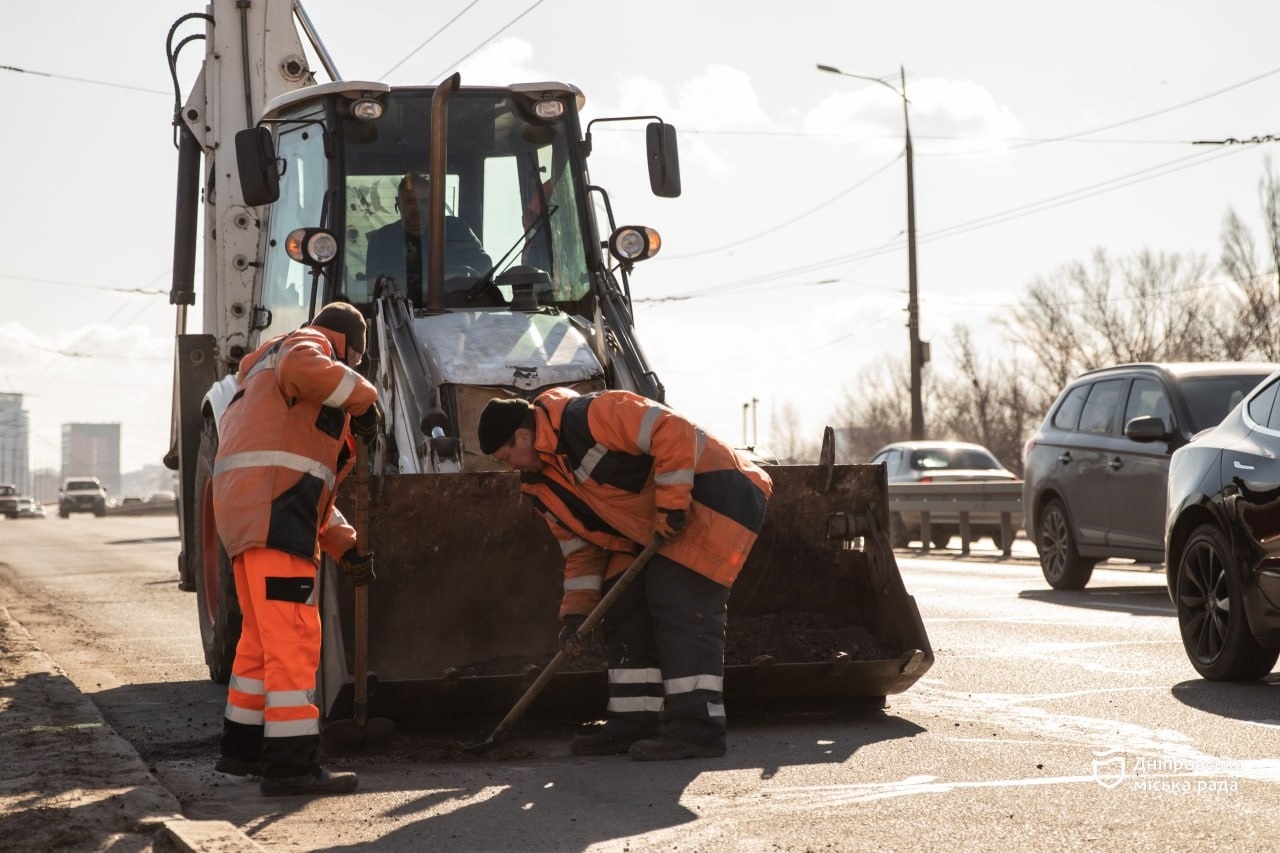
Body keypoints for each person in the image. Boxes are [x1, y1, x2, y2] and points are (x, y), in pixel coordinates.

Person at [478, 388, 773, 761]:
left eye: (506, 458)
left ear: (522, 436)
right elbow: (583, 553)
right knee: (623, 605)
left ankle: (699, 730)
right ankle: (633, 723)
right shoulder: (541, 488)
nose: (509, 468)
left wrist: (671, 505)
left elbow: (674, 430)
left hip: (715, 495)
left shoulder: (588, 414)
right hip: (654, 528)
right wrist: (576, 615)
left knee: (677, 599)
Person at [211, 301, 382, 797]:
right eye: (352, 363)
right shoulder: (306, 347)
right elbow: (303, 365)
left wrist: (345, 547)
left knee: (260, 644)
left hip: (249, 517)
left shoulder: (269, 393)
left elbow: (311, 493)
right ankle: (290, 767)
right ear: (348, 347)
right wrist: (365, 400)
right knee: (293, 640)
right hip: (273, 517)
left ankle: (240, 751)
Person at [364, 172, 492, 305]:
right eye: (410, 201)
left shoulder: (456, 230)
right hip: (399, 316)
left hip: (456, 310)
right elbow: (374, 288)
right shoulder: (381, 241)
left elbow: (484, 266)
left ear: (434, 206)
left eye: (424, 201)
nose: (417, 208)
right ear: (398, 204)